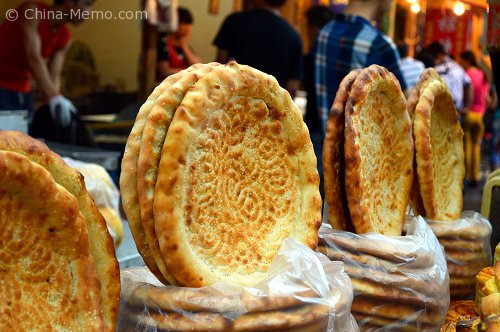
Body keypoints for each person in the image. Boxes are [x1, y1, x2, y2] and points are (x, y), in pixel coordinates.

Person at [314, 0, 408, 134]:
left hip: (324, 144)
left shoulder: (325, 31)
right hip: (360, 149)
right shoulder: (379, 45)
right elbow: (403, 110)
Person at [0, 0, 94, 128]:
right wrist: (54, 96)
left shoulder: (64, 37)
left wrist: (56, 100)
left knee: (21, 139)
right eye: (87, 4)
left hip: (22, 88)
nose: (89, 12)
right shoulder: (32, 12)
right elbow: (34, 57)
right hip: (2, 83)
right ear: (69, 2)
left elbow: (54, 74)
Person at [213, 0, 303, 97]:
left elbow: (219, 66)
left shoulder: (234, 21)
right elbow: (293, 87)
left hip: (232, 102)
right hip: (269, 106)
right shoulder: (293, 36)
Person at [303, 4, 334, 201]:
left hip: (315, 124)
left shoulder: (312, 56)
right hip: (334, 129)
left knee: (313, 179)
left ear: (314, 27)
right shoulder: (334, 53)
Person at [458, 51, 490, 186]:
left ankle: (468, 178)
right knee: (476, 146)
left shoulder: (467, 75)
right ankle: (475, 176)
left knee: (467, 146)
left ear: (466, 61)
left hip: (468, 114)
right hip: (480, 115)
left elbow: (463, 93)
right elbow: (486, 97)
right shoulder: (483, 74)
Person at [157, 7, 201, 81]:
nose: (187, 27)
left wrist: (184, 47)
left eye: (188, 23)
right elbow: (165, 71)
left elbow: (198, 65)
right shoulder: (163, 42)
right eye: (183, 23)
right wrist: (190, 72)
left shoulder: (183, 44)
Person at [427, 42, 472, 114]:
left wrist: (467, 107)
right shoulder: (457, 66)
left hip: (442, 111)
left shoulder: (436, 68)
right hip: (455, 110)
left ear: (439, 55)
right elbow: (468, 83)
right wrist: (467, 106)